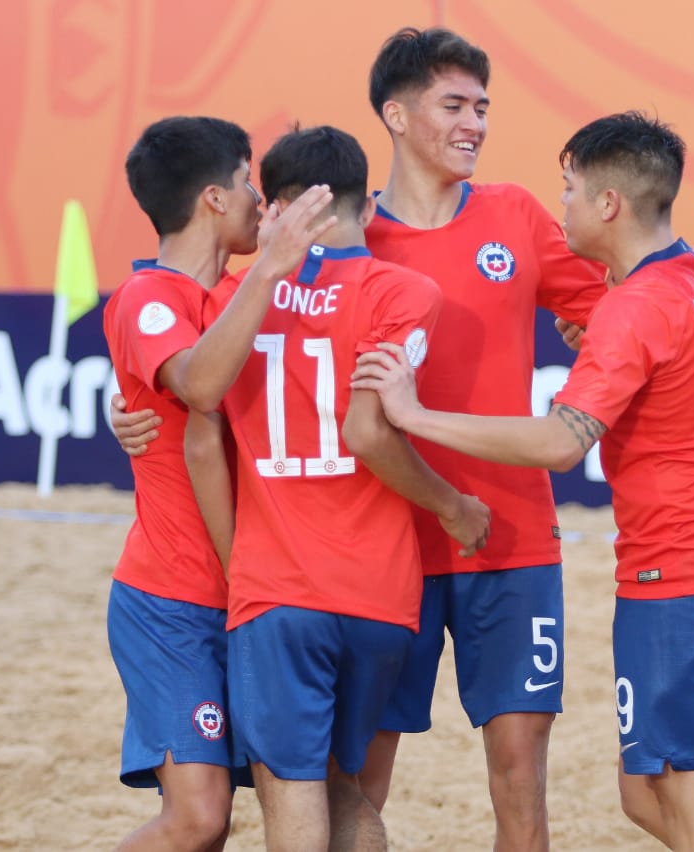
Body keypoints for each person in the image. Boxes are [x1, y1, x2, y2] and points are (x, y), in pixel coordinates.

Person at [353, 110, 694, 852]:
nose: (563, 207)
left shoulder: (632, 311)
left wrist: (415, 415)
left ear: (608, 204)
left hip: (680, 579)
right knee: (648, 798)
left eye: (571, 190)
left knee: (693, 811)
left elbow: (559, 443)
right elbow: (658, 348)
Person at [181, 124, 490, 851]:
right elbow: (376, 430)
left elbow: (193, 412)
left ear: (284, 206)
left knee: (292, 798)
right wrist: (451, 505)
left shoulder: (232, 295)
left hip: (280, 593)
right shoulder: (407, 291)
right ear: (367, 203)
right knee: (344, 790)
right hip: (381, 597)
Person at [356, 26, 608, 849]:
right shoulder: (354, 237)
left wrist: (587, 329)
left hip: (514, 539)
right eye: (454, 105)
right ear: (395, 115)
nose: (475, 123)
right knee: (362, 778)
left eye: (483, 107)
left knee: (520, 772)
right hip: (388, 540)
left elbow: (618, 309)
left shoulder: (515, 213)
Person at [104, 115, 334, 851]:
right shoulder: (149, 299)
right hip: (173, 597)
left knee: (269, 809)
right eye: (245, 182)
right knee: (199, 819)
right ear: (211, 197)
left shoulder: (242, 294)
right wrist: (269, 268)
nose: (258, 202)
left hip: (257, 594)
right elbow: (201, 385)